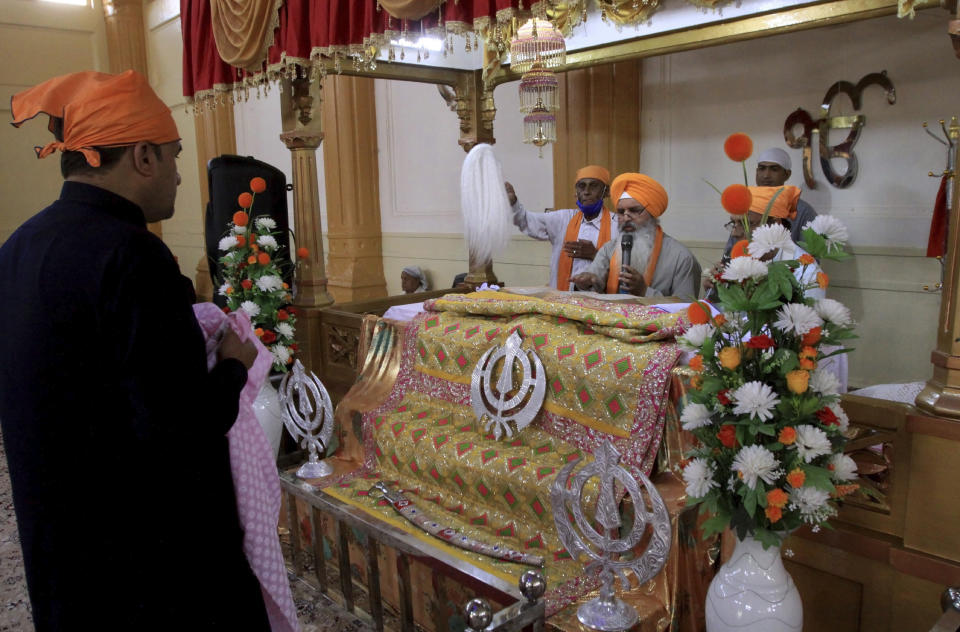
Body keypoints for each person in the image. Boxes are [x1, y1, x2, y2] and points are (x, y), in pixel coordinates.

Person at [0, 71, 271, 629]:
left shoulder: (19, 246)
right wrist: (233, 367)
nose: (177, 175)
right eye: (172, 157)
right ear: (143, 157)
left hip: (60, 539)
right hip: (147, 560)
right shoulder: (132, 256)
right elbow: (181, 424)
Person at [571, 173, 702, 299]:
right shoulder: (608, 249)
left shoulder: (682, 258)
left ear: (652, 213)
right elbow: (594, 284)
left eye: (634, 210)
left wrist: (644, 291)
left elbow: (686, 309)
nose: (626, 217)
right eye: (621, 212)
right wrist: (585, 283)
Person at [704, 185, 826, 302]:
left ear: (775, 224)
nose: (735, 233)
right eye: (733, 223)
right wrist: (717, 290)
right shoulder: (739, 258)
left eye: (746, 223)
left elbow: (810, 321)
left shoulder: (806, 272)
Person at [506, 165, 618, 290]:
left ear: (606, 191)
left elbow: (627, 268)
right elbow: (526, 220)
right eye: (581, 186)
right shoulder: (563, 219)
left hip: (602, 303)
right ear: (576, 193)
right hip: (563, 299)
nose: (586, 192)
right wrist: (513, 203)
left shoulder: (618, 225)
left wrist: (596, 255)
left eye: (593, 185)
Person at [753, 147, 816, 245]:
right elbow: (731, 251)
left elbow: (810, 256)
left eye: (774, 169)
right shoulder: (747, 207)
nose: (766, 175)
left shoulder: (803, 211)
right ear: (757, 172)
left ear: (787, 174)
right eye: (762, 169)